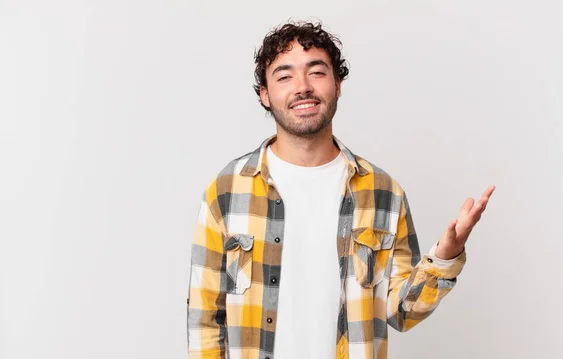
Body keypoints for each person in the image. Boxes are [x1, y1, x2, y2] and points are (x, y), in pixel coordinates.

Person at [186, 20, 495, 359]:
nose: (302, 87)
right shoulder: (227, 192)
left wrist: (446, 255)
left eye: (316, 72)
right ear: (265, 94)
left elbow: (401, 313)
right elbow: (205, 321)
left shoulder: (383, 192)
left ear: (337, 83)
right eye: (285, 76)